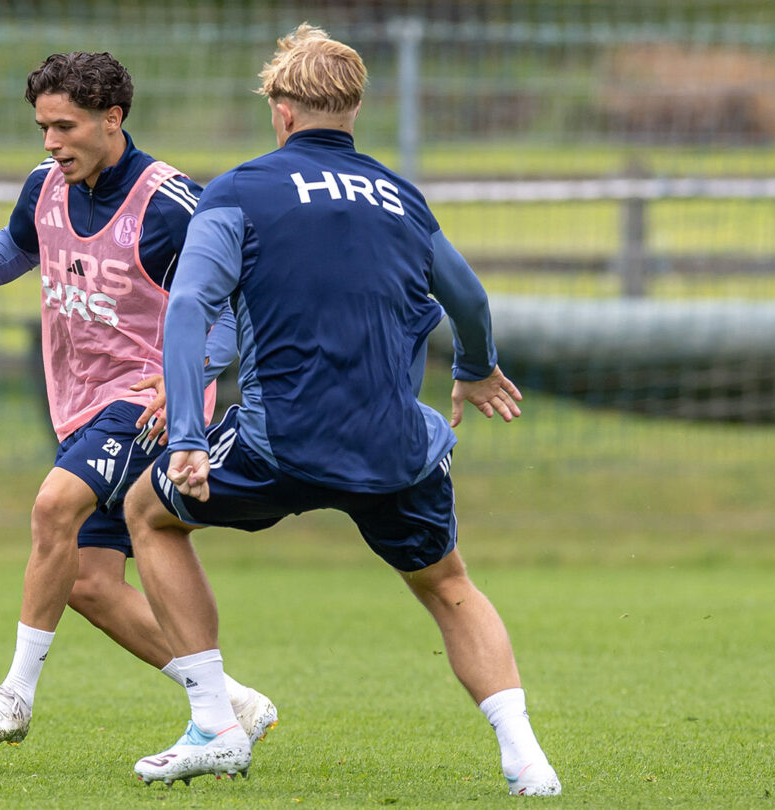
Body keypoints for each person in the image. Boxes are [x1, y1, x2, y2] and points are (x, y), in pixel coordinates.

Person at [124, 25, 562, 796]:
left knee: (149, 514)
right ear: (353, 107)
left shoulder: (239, 190)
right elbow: (469, 298)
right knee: (450, 586)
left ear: (282, 110)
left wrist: (190, 435)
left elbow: (190, 303)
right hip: (394, 446)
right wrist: (476, 369)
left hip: (277, 442)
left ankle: (214, 723)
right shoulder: (402, 197)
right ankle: (528, 759)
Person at [0, 51, 277, 748]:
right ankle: (230, 702)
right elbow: (22, 243)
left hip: (146, 401)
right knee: (87, 584)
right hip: (80, 404)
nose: (51, 143)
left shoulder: (170, 206)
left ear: (113, 119)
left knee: (53, 506)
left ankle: (13, 698)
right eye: (43, 127)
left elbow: (234, 305)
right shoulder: (45, 185)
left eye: (65, 127)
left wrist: (189, 377)